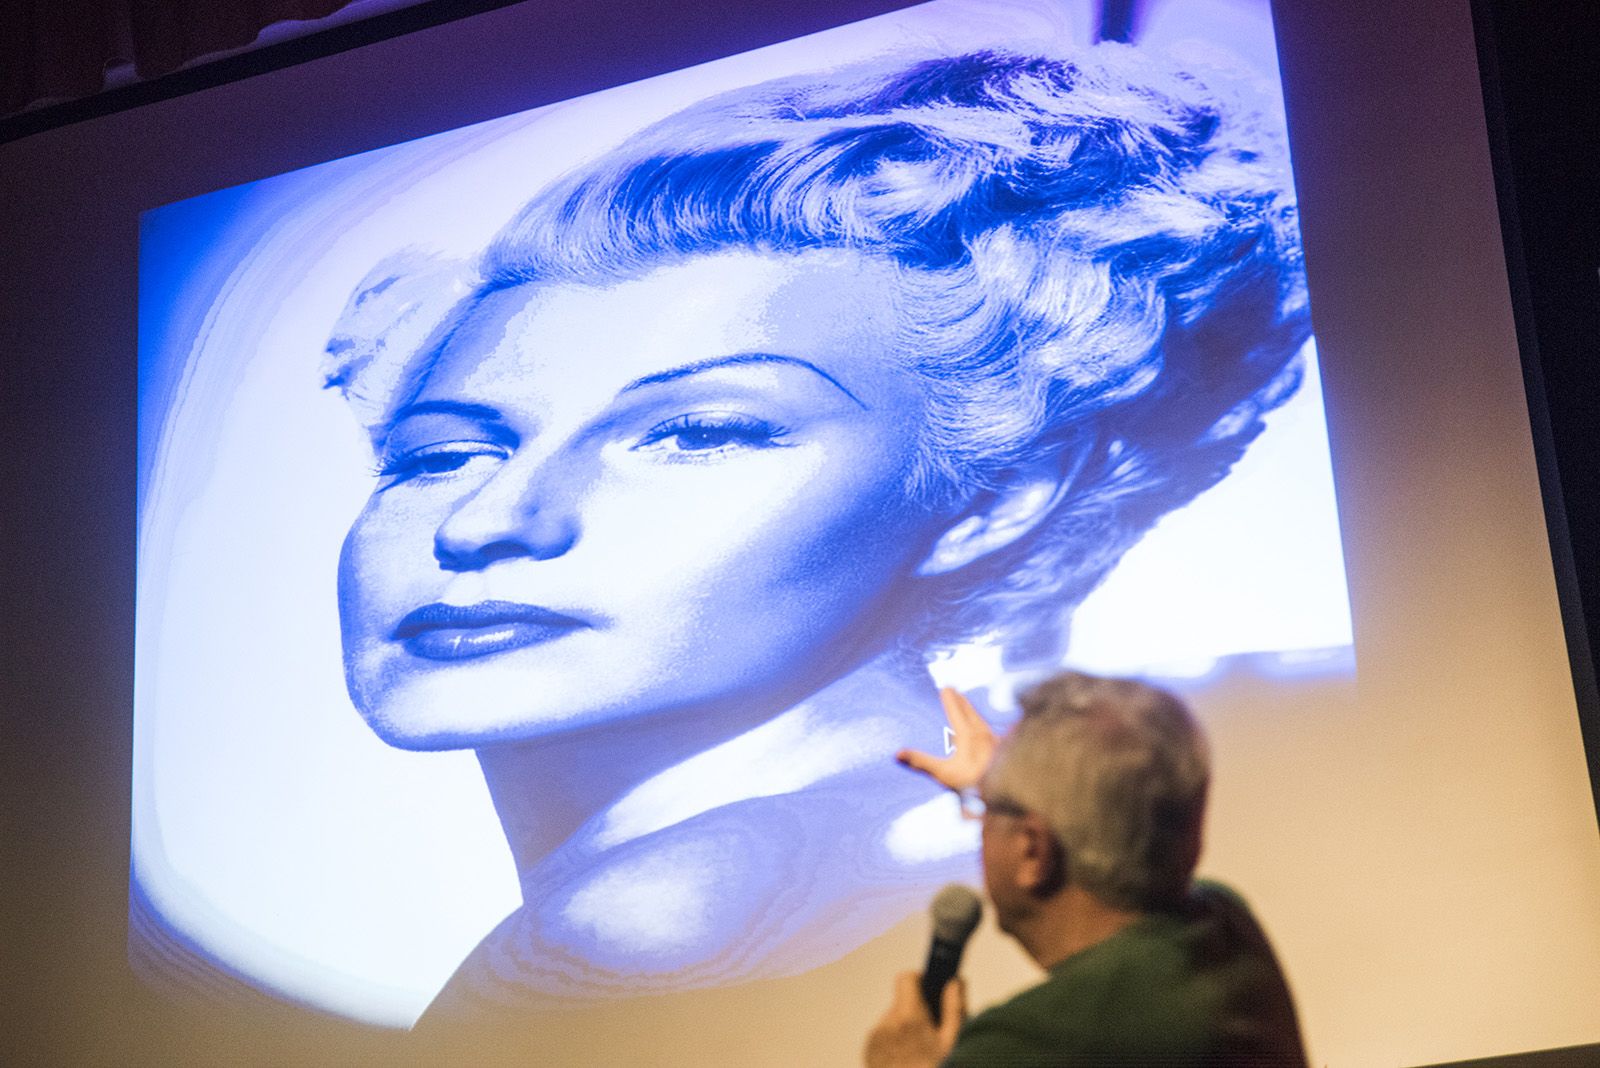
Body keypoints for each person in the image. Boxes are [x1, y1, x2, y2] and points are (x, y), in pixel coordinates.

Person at [321, 43, 1312, 1018]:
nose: (486, 521)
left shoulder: (649, 924)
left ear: (998, 496)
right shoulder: (976, 842)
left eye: (700, 433)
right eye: (439, 455)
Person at [866, 674, 1308, 1066]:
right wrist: (1010, 788)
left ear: (1033, 852)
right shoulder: (1224, 923)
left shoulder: (1024, 1046)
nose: (980, 819)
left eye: (984, 809)